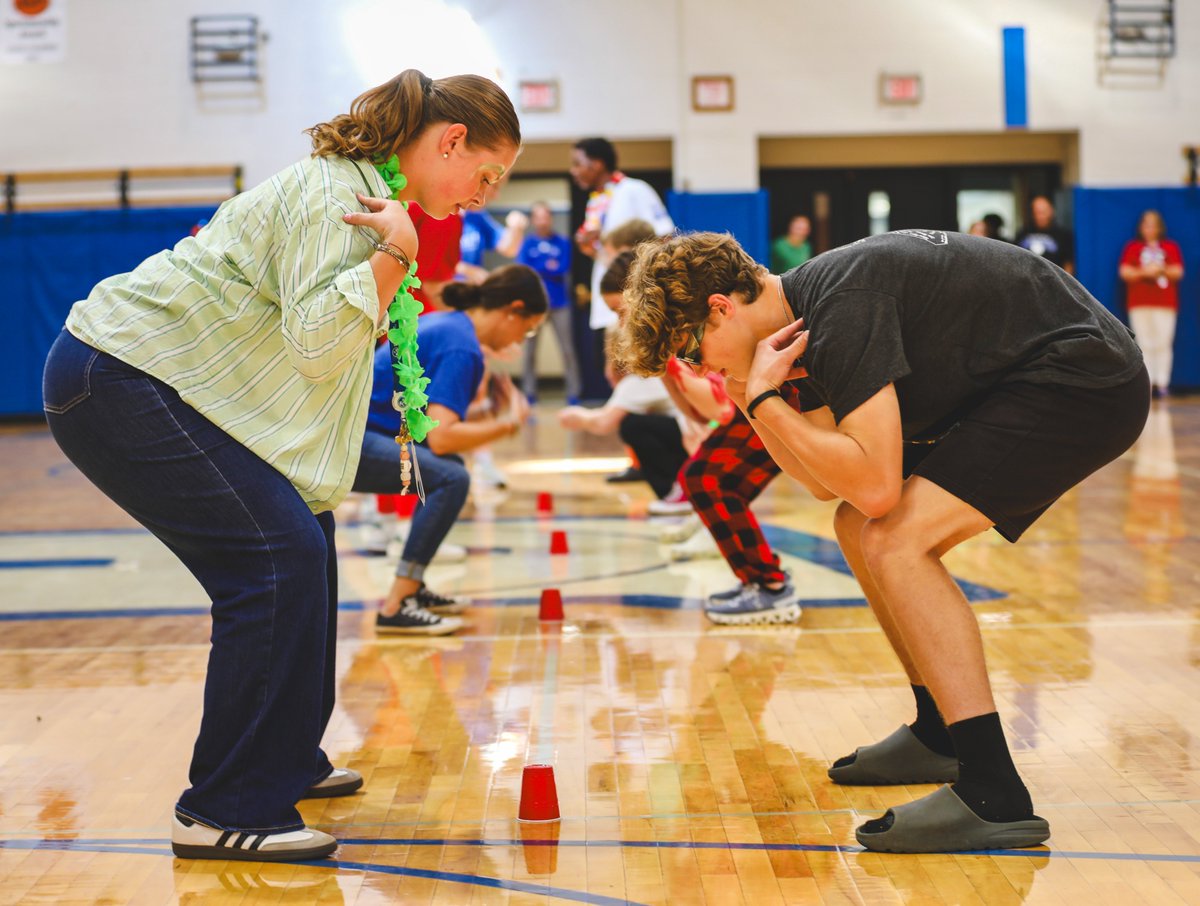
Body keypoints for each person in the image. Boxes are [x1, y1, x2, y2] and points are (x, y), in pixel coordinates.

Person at [41, 69, 520, 863]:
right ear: (451, 141)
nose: (484, 194)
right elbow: (316, 348)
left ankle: (284, 759)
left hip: (159, 383)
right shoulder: (354, 204)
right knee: (274, 558)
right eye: (487, 174)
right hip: (118, 375)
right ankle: (223, 807)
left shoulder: (371, 192)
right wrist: (397, 256)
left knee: (307, 536)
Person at [616, 229, 1148, 853]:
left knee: (897, 542)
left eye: (692, 351)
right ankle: (939, 732)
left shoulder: (842, 306)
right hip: (1033, 376)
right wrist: (754, 401)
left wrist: (761, 396)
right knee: (856, 528)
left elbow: (874, 487)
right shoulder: (795, 328)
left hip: (1084, 380)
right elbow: (824, 485)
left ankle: (993, 794)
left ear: (720, 308)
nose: (700, 369)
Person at [354, 265, 544, 633]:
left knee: (448, 467)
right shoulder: (463, 348)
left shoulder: (450, 324)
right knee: (452, 478)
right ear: (513, 310)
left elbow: (428, 420)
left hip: (361, 434)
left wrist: (489, 413)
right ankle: (397, 603)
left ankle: (414, 586)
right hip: (351, 443)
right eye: (529, 327)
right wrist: (506, 424)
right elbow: (441, 436)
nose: (524, 337)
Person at [557, 252, 689, 514]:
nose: (620, 321)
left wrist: (578, 417)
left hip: (701, 435)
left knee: (632, 425)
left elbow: (605, 422)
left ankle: (677, 492)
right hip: (695, 431)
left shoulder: (640, 379)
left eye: (619, 312)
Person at [569, 137, 673, 338]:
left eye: (577, 164)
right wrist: (591, 249)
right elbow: (610, 256)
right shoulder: (595, 201)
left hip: (634, 302)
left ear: (597, 164)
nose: (573, 171)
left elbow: (665, 237)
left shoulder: (635, 190)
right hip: (605, 302)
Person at [1119, 209, 1185, 398]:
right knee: (1143, 342)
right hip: (1139, 302)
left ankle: (1162, 382)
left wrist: (1161, 269)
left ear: (1159, 227)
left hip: (1165, 303)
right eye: (1146, 224)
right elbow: (1125, 272)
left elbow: (1178, 272)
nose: (1149, 228)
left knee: (1163, 342)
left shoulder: (1170, 247)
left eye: (1153, 224)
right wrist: (1144, 272)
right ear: (1141, 227)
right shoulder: (1133, 248)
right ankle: (1146, 383)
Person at [518, 201, 580, 404]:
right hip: (534, 306)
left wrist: (541, 267)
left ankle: (574, 394)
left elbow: (562, 267)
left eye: (546, 216)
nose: (542, 221)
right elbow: (525, 271)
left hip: (560, 304)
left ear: (551, 218)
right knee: (529, 352)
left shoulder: (562, 242)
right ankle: (529, 394)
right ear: (533, 220)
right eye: (538, 216)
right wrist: (547, 266)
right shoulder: (527, 244)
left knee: (567, 350)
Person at [458, 207, 527, 284]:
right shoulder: (444, 215)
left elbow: (508, 249)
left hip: (469, 288)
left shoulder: (476, 215)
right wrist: (468, 271)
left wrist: (515, 228)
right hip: (447, 286)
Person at [1015, 195, 1074, 273]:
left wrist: (1065, 283)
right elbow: (1014, 259)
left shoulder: (1063, 235)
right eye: (1037, 212)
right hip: (1027, 279)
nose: (1040, 216)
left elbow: (1068, 263)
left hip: (1053, 279)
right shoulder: (1023, 233)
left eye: (1043, 212)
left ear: (1051, 211)